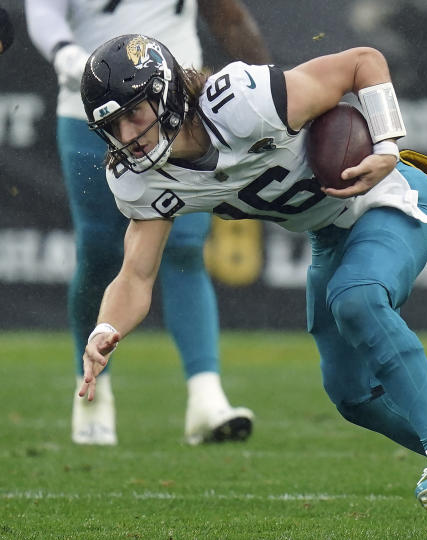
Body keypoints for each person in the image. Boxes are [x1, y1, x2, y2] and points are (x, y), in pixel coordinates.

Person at [76, 34, 427, 539]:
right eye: (110, 126)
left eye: (132, 115)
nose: (126, 135)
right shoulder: (142, 179)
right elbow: (135, 276)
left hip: (388, 197)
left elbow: (364, 62)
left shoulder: (240, 102)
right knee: (352, 394)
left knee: (356, 299)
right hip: (329, 232)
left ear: (163, 94)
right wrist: (104, 328)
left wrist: (386, 145)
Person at [25, 0, 271, 446]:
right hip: (94, 113)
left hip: (176, 103)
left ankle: (205, 394)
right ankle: (92, 393)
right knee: (100, 251)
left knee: (184, 250)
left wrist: (269, 88)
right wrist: (68, 56)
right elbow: (43, 13)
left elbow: (227, 16)